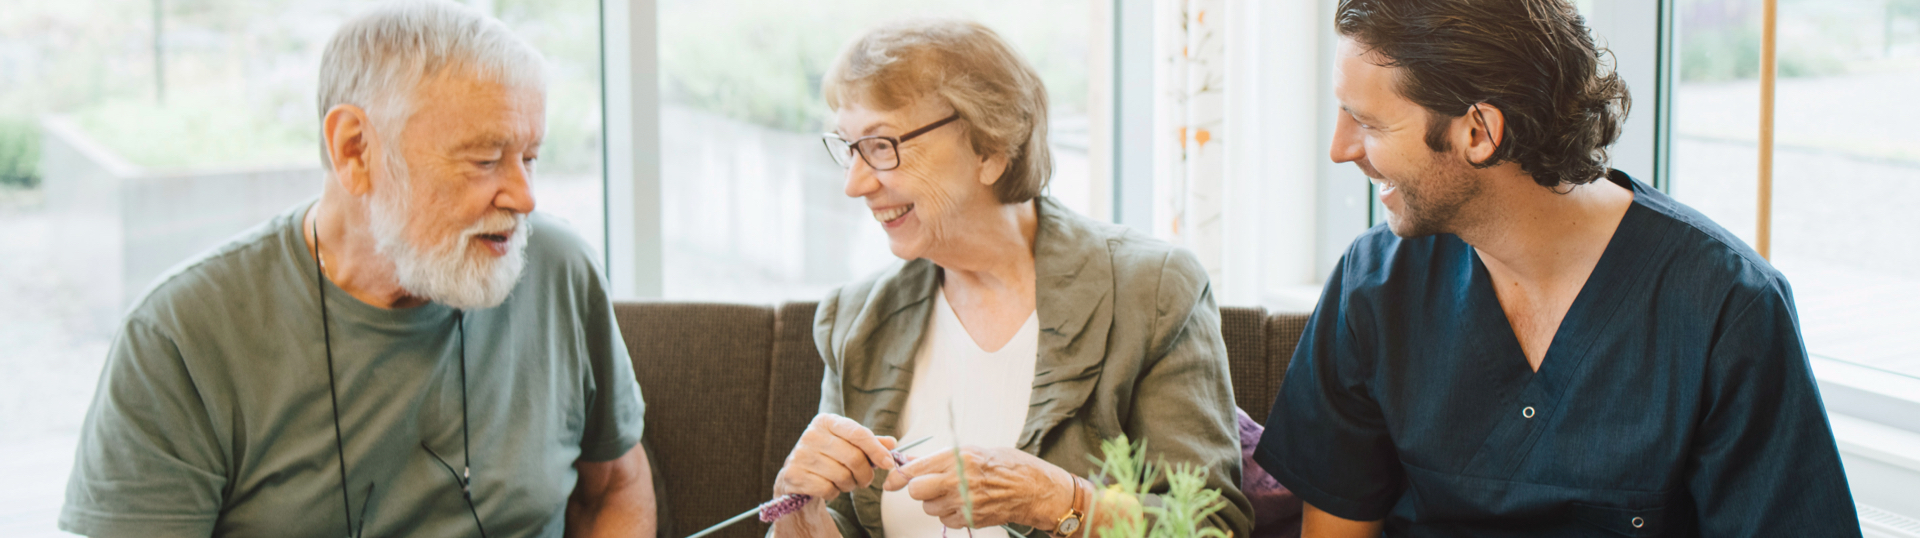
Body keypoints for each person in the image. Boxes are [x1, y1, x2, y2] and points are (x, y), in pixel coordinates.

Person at [1254, 0, 1861, 536]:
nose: (1340, 148)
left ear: (1479, 131)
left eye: (1367, 121)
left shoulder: (1727, 308)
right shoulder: (1373, 285)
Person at [59, 2, 655, 536]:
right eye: (483, 160)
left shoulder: (558, 268)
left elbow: (613, 489)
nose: (524, 198)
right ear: (355, 150)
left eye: (529, 158)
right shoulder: (180, 338)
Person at [769, 18, 1251, 538]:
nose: (855, 184)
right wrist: (799, 513)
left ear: (990, 148)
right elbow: (841, 523)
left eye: (882, 145)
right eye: (847, 147)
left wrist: (1056, 501)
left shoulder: (1151, 290)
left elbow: (1211, 527)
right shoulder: (856, 318)